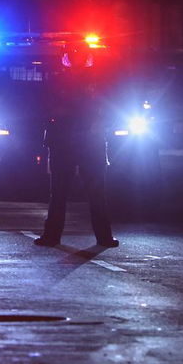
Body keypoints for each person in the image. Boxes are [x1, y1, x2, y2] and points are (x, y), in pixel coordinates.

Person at [35, 47, 118, 248]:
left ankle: (52, 236)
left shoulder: (61, 81)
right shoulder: (97, 82)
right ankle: (103, 237)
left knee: (60, 193)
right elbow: (110, 108)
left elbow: (45, 109)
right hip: (86, 142)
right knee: (94, 193)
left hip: (69, 142)